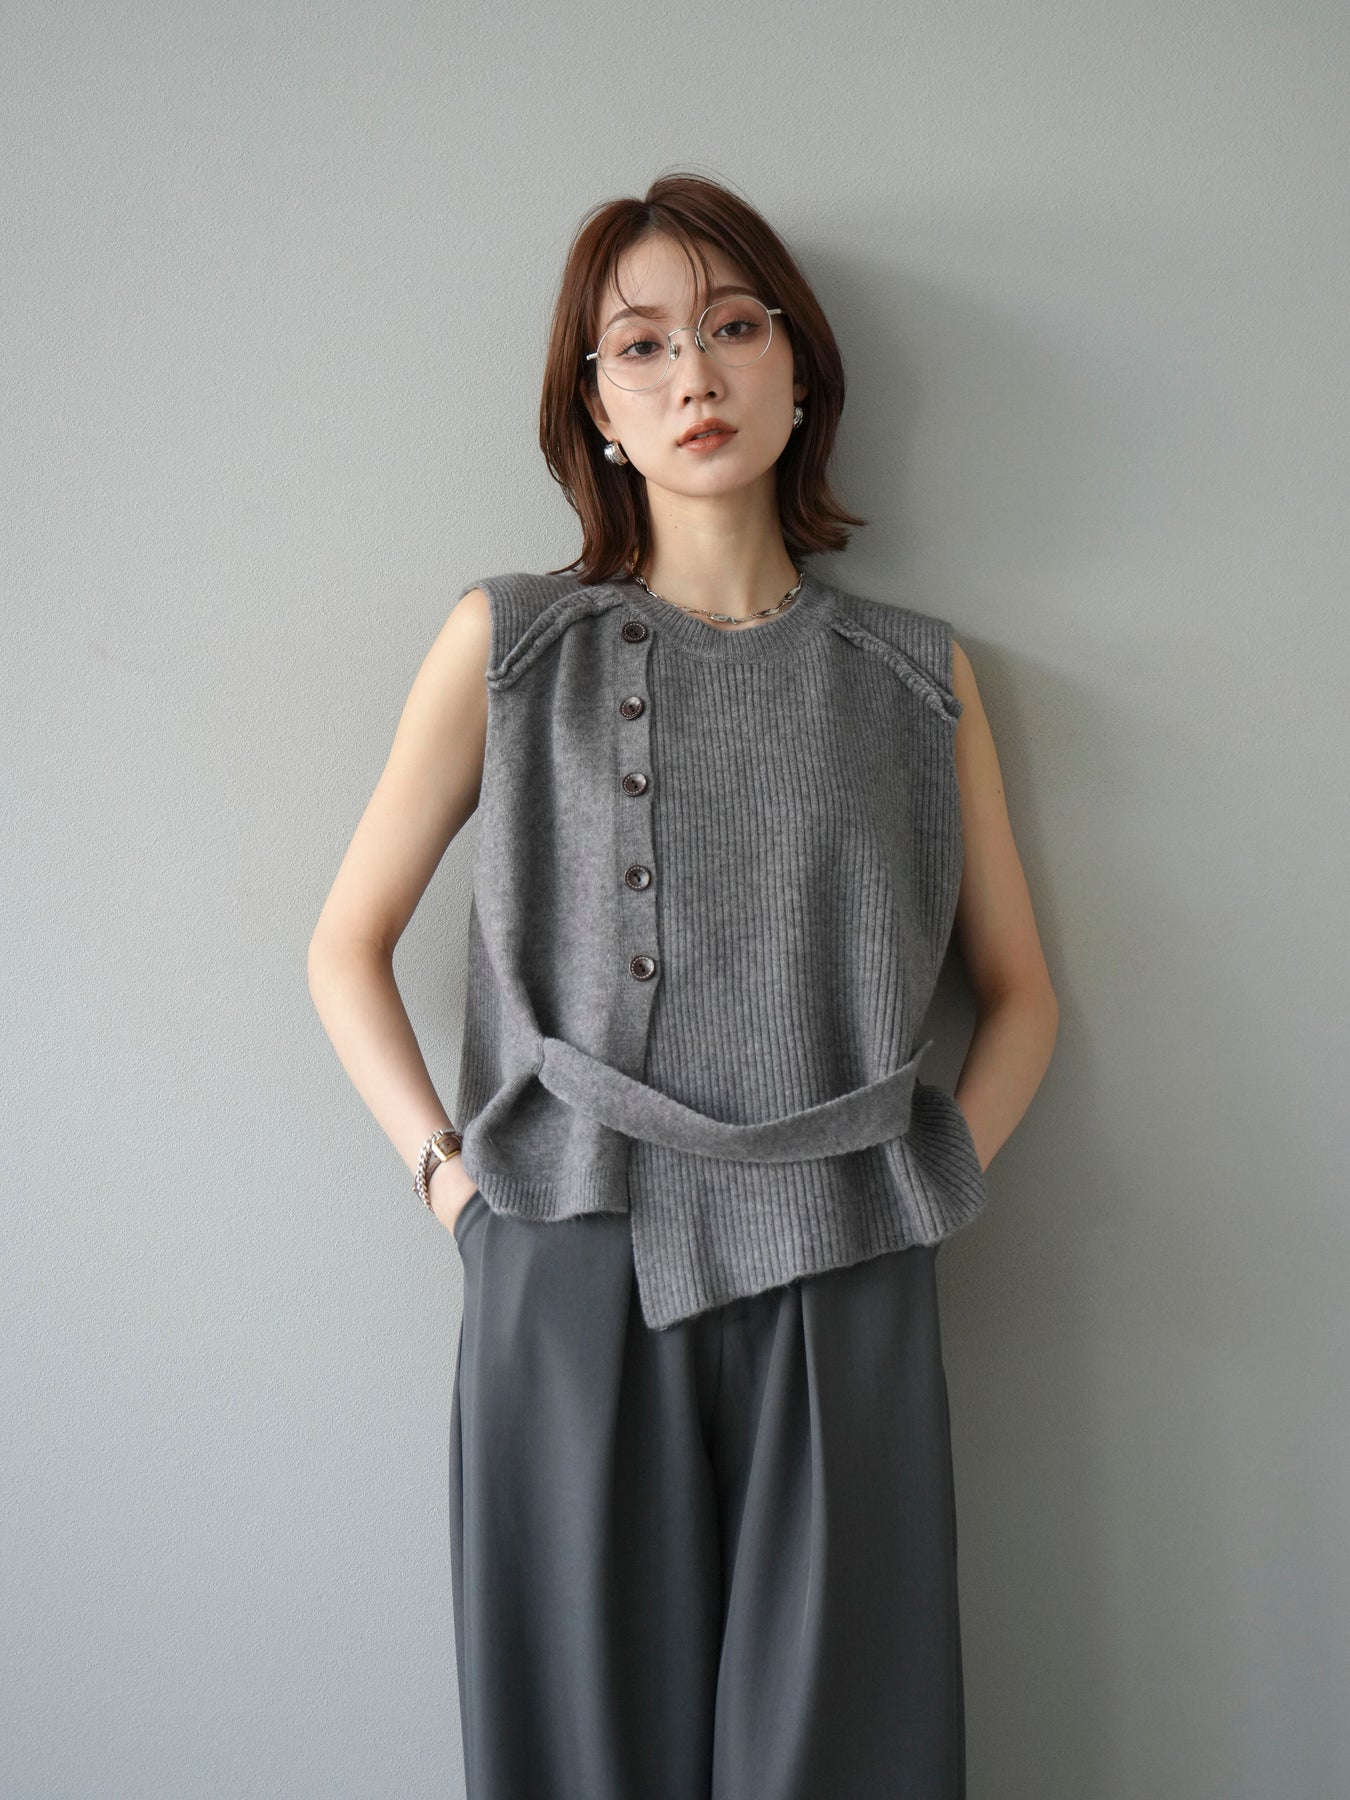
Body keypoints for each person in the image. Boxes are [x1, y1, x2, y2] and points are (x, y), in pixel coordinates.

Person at [308, 171, 1058, 1799]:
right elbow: (341, 945)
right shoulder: (512, 643)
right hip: (569, 1245)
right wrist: (456, 1195)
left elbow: (1020, 994)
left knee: (844, 1754)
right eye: (639, 346)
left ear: (800, 368)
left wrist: (920, 1190)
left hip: (843, 1252)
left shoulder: (915, 673)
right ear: (593, 406)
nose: (692, 377)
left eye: (730, 328)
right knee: (584, 1753)